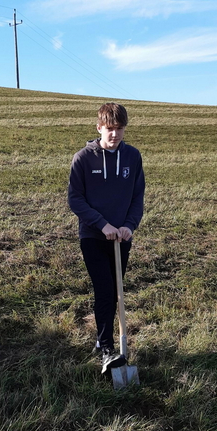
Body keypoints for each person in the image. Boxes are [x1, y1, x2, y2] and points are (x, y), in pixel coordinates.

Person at [68, 102, 145, 374]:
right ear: (99, 127)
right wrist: (102, 224)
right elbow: (75, 200)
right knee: (104, 290)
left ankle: (106, 342)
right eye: (110, 129)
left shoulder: (133, 157)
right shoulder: (83, 159)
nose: (114, 135)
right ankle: (106, 347)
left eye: (120, 129)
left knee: (116, 292)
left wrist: (129, 226)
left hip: (121, 238)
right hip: (93, 236)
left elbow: (137, 197)